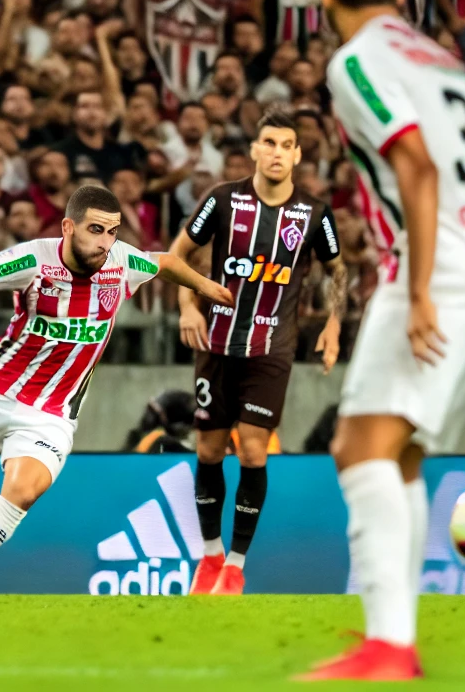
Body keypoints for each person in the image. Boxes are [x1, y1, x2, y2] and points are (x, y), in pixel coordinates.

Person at [297, 0, 465, 680]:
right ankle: (392, 632)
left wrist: (424, 288)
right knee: (402, 453)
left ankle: (389, 643)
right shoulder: (440, 59)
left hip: (436, 272)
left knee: (358, 447)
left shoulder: (355, 61)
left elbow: (419, 171)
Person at [0, 185, 233, 599]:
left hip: (51, 413)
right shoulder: (32, 259)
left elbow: (168, 262)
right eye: (96, 230)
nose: (106, 243)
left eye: (113, 232)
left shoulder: (122, 263)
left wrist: (206, 288)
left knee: (22, 492)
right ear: (68, 227)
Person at [171, 106, 346, 595]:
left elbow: (338, 271)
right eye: (268, 143)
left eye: (286, 145)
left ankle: (236, 565)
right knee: (208, 448)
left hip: (272, 348)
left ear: (297, 154)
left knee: (252, 451)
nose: (276, 153)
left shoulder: (314, 214)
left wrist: (333, 324)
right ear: (254, 150)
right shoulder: (222, 201)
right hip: (216, 342)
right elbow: (177, 256)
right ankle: (209, 556)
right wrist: (189, 306)